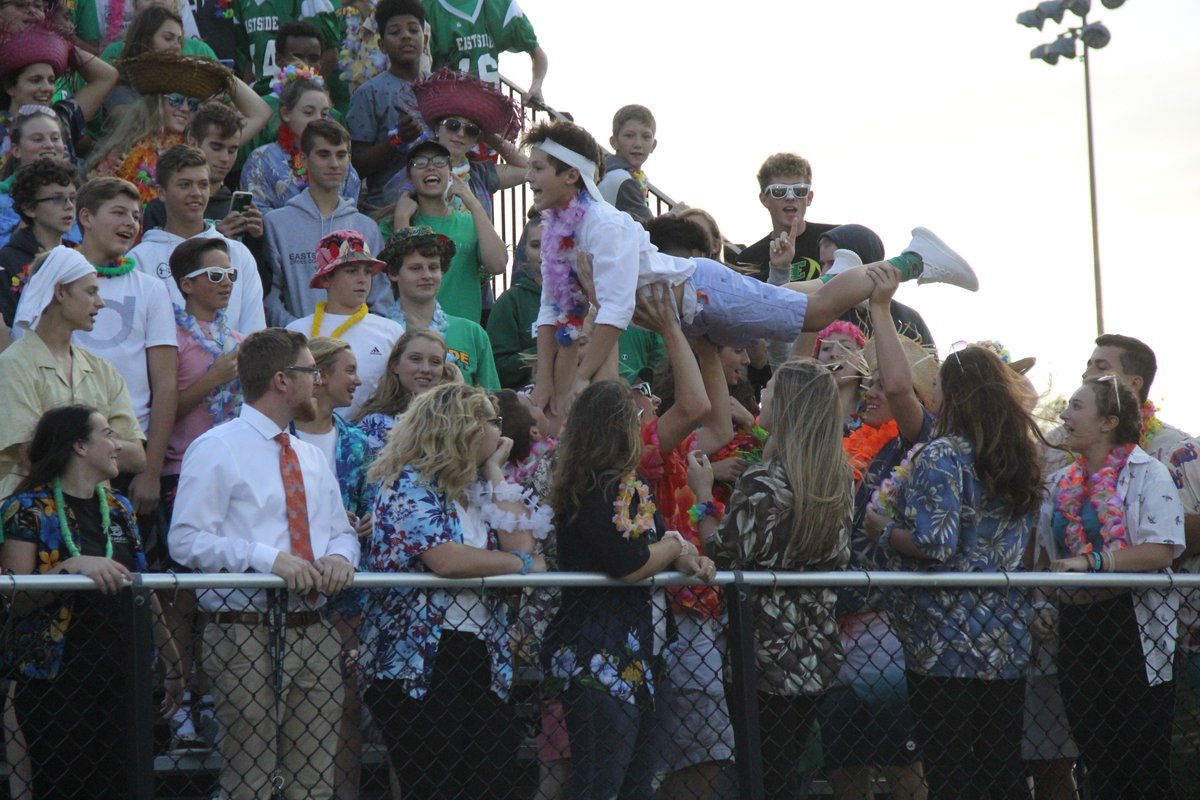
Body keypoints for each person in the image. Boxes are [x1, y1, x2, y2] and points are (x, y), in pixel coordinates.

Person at [522, 119, 978, 421]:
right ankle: (840, 271)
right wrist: (544, 388)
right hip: (690, 310)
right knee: (805, 301)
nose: (529, 177)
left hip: (703, 292)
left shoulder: (606, 224)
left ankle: (914, 260)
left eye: (539, 168)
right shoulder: (559, 227)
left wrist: (579, 380)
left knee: (817, 314)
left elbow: (616, 308)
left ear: (571, 175)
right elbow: (551, 311)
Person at [169, 327, 359, 800]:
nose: (317, 381)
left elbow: (340, 530)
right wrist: (267, 559)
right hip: (244, 630)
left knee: (313, 784)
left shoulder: (311, 456)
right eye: (311, 371)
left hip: (314, 628)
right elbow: (185, 540)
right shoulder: (217, 446)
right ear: (281, 379)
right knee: (250, 780)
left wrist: (340, 556)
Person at [867, 345, 1044, 799]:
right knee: (1002, 766)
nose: (933, 394)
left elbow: (934, 543)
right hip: (1005, 636)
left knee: (951, 770)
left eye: (938, 385)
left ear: (955, 392)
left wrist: (883, 530)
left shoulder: (941, 455)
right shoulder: (1019, 454)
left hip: (944, 640)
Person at [359, 382, 550, 800]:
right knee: (433, 785)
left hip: (483, 652)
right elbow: (447, 560)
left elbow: (522, 542)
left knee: (491, 782)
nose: (500, 432)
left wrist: (496, 469)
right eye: (490, 422)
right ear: (460, 428)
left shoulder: (477, 487)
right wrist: (518, 567)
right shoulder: (408, 483)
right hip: (421, 659)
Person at [543, 379, 716, 799]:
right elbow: (630, 562)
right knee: (601, 785)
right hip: (601, 656)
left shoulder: (630, 483)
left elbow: (649, 542)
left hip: (646, 657)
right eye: (635, 419)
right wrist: (675, 543)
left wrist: (684, 557)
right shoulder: (596, 485)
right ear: (617, 426)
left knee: (637, 786)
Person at [0, 405, 184, 798]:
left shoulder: (117, 507)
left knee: (123, 786)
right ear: (79, 446)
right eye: (108, 434)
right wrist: (70, 568)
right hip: (56, 679)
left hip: (122, 672)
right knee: (66, 787)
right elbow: (16, 599)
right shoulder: (26, 509)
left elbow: (141, 584)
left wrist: (172, 660)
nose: (119, 445)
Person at [1035, 376, 1185, 800]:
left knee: (1140, 760)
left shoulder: (1149, 472)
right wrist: (1042, 605)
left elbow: (1160, 551)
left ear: (1108, 422)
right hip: (1077, 628)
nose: (1064, 416)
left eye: (1075, 407)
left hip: (1132, 631)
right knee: (1096, 760)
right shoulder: (1059, 481)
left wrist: (1092, 563)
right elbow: (1046, 557)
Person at [708, 360, 852, 797]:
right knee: (786, 770)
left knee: (760, 773)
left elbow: (724, 553)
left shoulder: (763, 484)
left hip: (761, 657)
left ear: (786, 406)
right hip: (814, 654)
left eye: (768, 390)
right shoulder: (837, 480)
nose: (761, 397)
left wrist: (700, 498)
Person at [825, 273, 935, 800]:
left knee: (900, 764)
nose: (871, 391)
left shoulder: (919, 441)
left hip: (890, 622)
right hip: (840, 620)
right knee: (845, 762)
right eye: (865, 383)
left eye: (878, 384)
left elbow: (896, 386)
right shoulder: (852, 442)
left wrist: (881, 306)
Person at [160, 235, 244, 752]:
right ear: (187, 283)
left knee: (219, 592)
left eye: (231, 276)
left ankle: (214, 699)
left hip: (230, 477)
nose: (226, 284)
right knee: (181, 596)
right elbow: (169, 404)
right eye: (215, 275)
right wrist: (214, 376)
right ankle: (180, 706)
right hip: (181, 470)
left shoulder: (235, 335)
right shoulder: (172, 333)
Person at [72, 177, 178, 529]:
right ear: (86, 217)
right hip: (68, 449)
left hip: (129, 453)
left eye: (135, 216)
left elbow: (165, 383)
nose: (130, 224)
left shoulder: (151, 288)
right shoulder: (53, 278)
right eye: (118, 213)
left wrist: (151, 470)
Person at [0, 247, 145, 498]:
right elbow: (29, 454)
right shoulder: (13, 364)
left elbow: (137, 458)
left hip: (94, 516)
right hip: (30, 518)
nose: (100, 302)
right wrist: (103, 445)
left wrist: (77, 445)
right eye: (90, 291)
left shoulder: (102, 370)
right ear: (60, 292)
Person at [87, 53, 269, 208]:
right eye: (175, 100)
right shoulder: (125, 150)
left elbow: (261, 112)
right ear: (156, 102)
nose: (184, 108)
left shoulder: (203, 143)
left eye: (192, 103)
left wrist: (223, 75)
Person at [130, 144, 266, 333]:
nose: (196, 193)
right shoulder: (139, 259)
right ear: (161, 192)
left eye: (203, 184)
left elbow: (254, 330)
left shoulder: (238, 253)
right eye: (185, 185)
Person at [262, 120, 386, 325]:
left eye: (341, 155)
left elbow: (380, 296)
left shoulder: (367, 227)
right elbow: (270, 296)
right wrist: (300, 333)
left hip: (355, 348)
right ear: (303, 159)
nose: (334, 164)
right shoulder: (276, 223)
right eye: (323, 154)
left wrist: (362, 334)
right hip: (297, 346)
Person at [388, 138, 507, 323]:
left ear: (450, 173)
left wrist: (473, 202)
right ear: (410, 176)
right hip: (415, 335)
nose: (431, 167)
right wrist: (402, 221)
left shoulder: (471, 223)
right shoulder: (394, 223)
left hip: (464, 336)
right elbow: (397, 278)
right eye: (420, 162)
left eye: (439, 161)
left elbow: (498, 265)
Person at [382, 67, 527, 217]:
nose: (461, 134)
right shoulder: (417, 169)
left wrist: (490, 136)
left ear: (476, 139)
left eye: (470, 130)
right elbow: (390, 200)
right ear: (437, 129)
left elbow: (527, 169)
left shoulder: (479, 174)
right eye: (452, 125)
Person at [285, 229, 401, 415]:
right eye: (352, 271)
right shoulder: (296, 332)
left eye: (367, 271)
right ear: (325, 278)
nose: (363, 279)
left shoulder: (391, 331)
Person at [379, 224, 499, 388]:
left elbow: (492, 403)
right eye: (416, 268)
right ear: (393, 273)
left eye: (434, 268)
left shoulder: (472, 333)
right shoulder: (378, 333)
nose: (427, 275)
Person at [241, 68, 363, 213]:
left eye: (324, 114)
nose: (318, 119)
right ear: (286, 113)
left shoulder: (339, 162)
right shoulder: (262, 160)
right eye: (308, 112)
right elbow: (255, 215)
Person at [345, 0, 427, 211]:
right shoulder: (368, 93)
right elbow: (356, 166)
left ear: (424, 40)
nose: (406, 36)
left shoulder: (440, 88)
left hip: (437, 209)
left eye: (413, 30)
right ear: (382, 45)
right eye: (395, 31)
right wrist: (398, 139)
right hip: (387, 210)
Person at [0, 21, 118, 165]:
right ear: (10, 87)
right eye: (35, 80)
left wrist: (58, 44)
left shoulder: (62, 119)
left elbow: (107, 76)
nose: (47, 88)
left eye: (51, 80)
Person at [734, 151, 837, 284]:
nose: (790, 197)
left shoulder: (835, 239)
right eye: (779, 191)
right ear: (764, 199)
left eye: (799, 190)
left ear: (809, 197)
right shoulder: (748, 258)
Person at [0, 157, 79, 327]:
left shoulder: (77, 255)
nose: (69, 206)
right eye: (57, 199)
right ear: (29, 208)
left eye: (72, 198)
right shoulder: (6, 261)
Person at [99, 5, 219, 115]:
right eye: (168, 38)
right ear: (145, 39)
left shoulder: (186, 81)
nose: (177, 46)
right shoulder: (122, 81)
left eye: (179, 41)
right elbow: (129, 122)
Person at [423, 0, 548, 105]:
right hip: (450, 111)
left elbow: (536, 52)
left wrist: (536, 85)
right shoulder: (429, 8)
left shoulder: (498, 4)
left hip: (486, 111)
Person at [353, 327, 450, 455]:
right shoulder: (375, 424)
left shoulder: (454, 422)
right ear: (395, 365)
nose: (425, 369)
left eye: (435, 362)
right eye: (415, 359)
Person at [0, 107, 74, 248]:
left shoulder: (78, 197)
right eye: (38, 139)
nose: (49, 145)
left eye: (55, 138)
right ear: (16, 150)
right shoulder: (2, 200)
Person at [230, 0, 337, 95]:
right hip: (258, 94)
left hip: (293, 94)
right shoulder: (241, 2)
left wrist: (308, 91)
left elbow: (330, 52)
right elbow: (251, 59)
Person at [488, 209, 541, 388]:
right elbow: (498, 368)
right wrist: (546, 350)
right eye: (536, 245)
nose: (544, 252)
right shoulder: (510, 302)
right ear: (525, 251)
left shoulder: (584, 296)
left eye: (553, 242)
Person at [598, 104, 656, 223]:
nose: (638, 144)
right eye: (629, 136)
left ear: (653, 145)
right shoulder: (623, 180)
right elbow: (650, 231)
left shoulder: (610, 170)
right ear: (614, 142)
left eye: (646, 137)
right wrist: (675, 214)